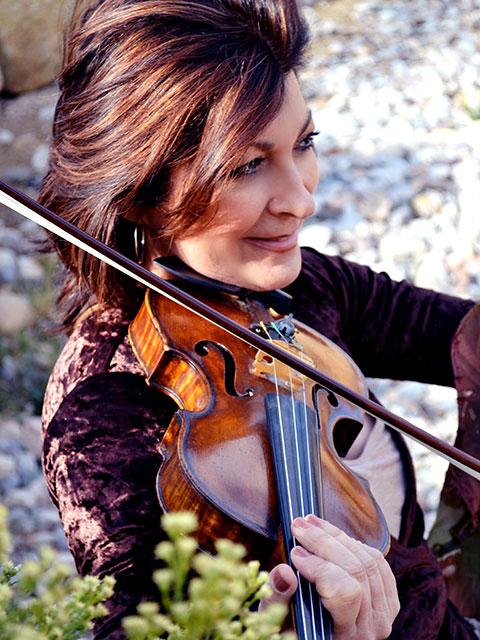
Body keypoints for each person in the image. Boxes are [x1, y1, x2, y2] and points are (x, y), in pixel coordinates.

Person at [38, 0, 479, 638]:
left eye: (304, 143)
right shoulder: (103, 411)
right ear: (142, 191)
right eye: (248, 165)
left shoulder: (295, 287)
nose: (301, 199)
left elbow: (459, 335)